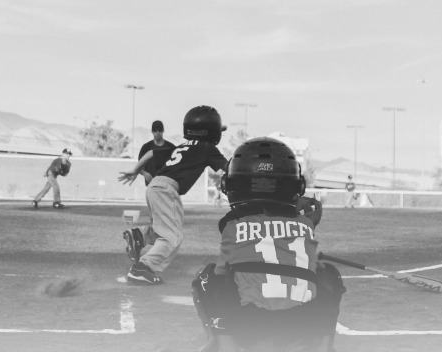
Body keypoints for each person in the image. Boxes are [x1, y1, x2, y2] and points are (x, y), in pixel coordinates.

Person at [192, 137, 345, 352]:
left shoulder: (231, 225)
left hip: (250, 322)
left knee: (207, 277)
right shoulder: (305, 225)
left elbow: (223, 270)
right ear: (296, 187)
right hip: (304, 321)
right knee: (329, 273)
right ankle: (324, 346)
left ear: (232, 186)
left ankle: (223, 344)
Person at [118, 105, 229, 285]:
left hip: (155, 185)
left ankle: (140, 236)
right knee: (172, 237)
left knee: (162, 228)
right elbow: (228, 167)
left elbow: (151, 153)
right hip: (166, 190)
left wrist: (135, 170)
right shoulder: (207, 147)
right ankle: (143, 268)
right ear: (212, 132)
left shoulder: (183, 146)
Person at [136, 120, 176, 186]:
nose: (157, 133)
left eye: (160, 130)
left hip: (166, 185)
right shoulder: (146, 147)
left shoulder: (171, 147)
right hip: (151, 185)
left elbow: (177, 164)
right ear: (152, 131)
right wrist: (145, 174)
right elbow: (139, 166)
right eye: (155, 130)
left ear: (163, 131)